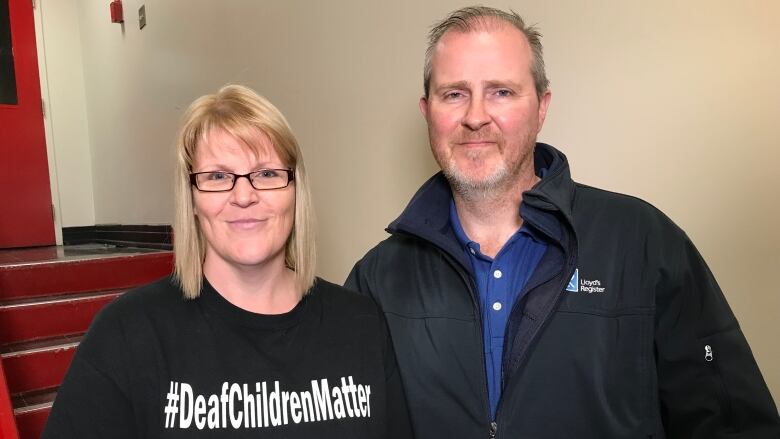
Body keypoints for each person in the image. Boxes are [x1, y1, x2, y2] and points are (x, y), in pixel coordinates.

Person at [346, 6, 779, 438]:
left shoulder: (644, 243)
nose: (475, 116)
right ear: (427, 110)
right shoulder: (378, 280)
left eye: (501, 92)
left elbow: (734, 426)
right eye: (454, 93)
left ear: (542, 107)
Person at [43, 85, 411, 438]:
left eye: (266, 173)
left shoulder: (360, 322)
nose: (244, 195)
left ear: (294, 190)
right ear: (191, 199)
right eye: (217, 176)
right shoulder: (127, 333)